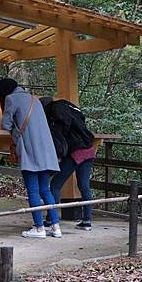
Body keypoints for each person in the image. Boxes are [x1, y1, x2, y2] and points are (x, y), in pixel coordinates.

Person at [0, 78, 62, 239]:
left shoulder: (11, 99)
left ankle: (39, 228)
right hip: (46, 151)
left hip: (30, 151)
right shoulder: (34, 99)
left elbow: (5, 125)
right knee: (45, 189)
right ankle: (55, 226)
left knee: (32, 189)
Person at [40, 96, 95, 231]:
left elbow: (62, 129)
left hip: (75, 151)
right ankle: (87, 220)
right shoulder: (68, 106)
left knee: (55, 185)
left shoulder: (56, 109)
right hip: (89, 148)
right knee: (84, 186)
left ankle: (51, 219)